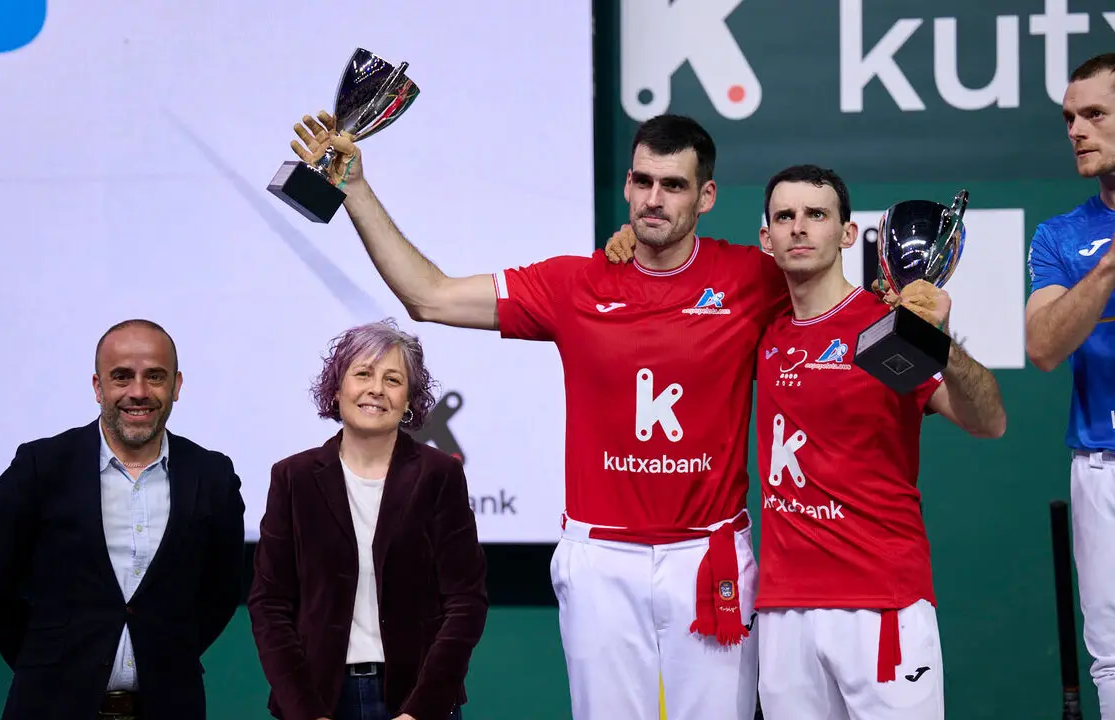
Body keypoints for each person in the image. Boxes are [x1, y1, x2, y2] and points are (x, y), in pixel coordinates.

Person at [285, 110, 790, 720]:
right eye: (643, 181)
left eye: (674, 185)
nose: (654, 200)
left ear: (706, 195)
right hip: (602, 560)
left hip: (708, 557)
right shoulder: (574, 284)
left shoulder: (751, 278)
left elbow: (835, 307)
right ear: (627, 185)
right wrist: (356, 189)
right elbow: (429, 295)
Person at [608, 164, 1006, 718]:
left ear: (847, 233)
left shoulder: (883, 329)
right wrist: (635, 243)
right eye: (785, 217)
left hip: (879, 604)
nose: (800, 227)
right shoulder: (762, 331)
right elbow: (678, 279)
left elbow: (987, 420)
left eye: (816, 215)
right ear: (766, 238)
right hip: (781, 612)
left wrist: (940, 344)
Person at [0, 319, 246, 720]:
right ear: (98, 387)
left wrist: (165, 656)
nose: (138, 392)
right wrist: (44, 660)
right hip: (49, 707)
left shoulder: (213, 476)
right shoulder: (40, 467)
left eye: (154, 376)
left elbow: (220, 594)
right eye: (121, 377)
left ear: (177, 386)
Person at [248, 319, 488, 720]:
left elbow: (466, 602)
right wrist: (306, 712)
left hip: (417, 701)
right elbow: (269, 605)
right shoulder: (293, 478)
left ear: (409, 399)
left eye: (392, 379)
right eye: (362, 374)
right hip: (318, 699)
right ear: (337, 389)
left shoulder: (439, 475)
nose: (376, 388)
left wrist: (421, 710)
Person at [1026, 51, 1115, 718]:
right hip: (1101, 466)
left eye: (1093, 114)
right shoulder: (1062, 236)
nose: (1076, 130)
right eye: (1068, 118)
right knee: (1111, 658)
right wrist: (1109, 270)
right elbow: (1044, 346)